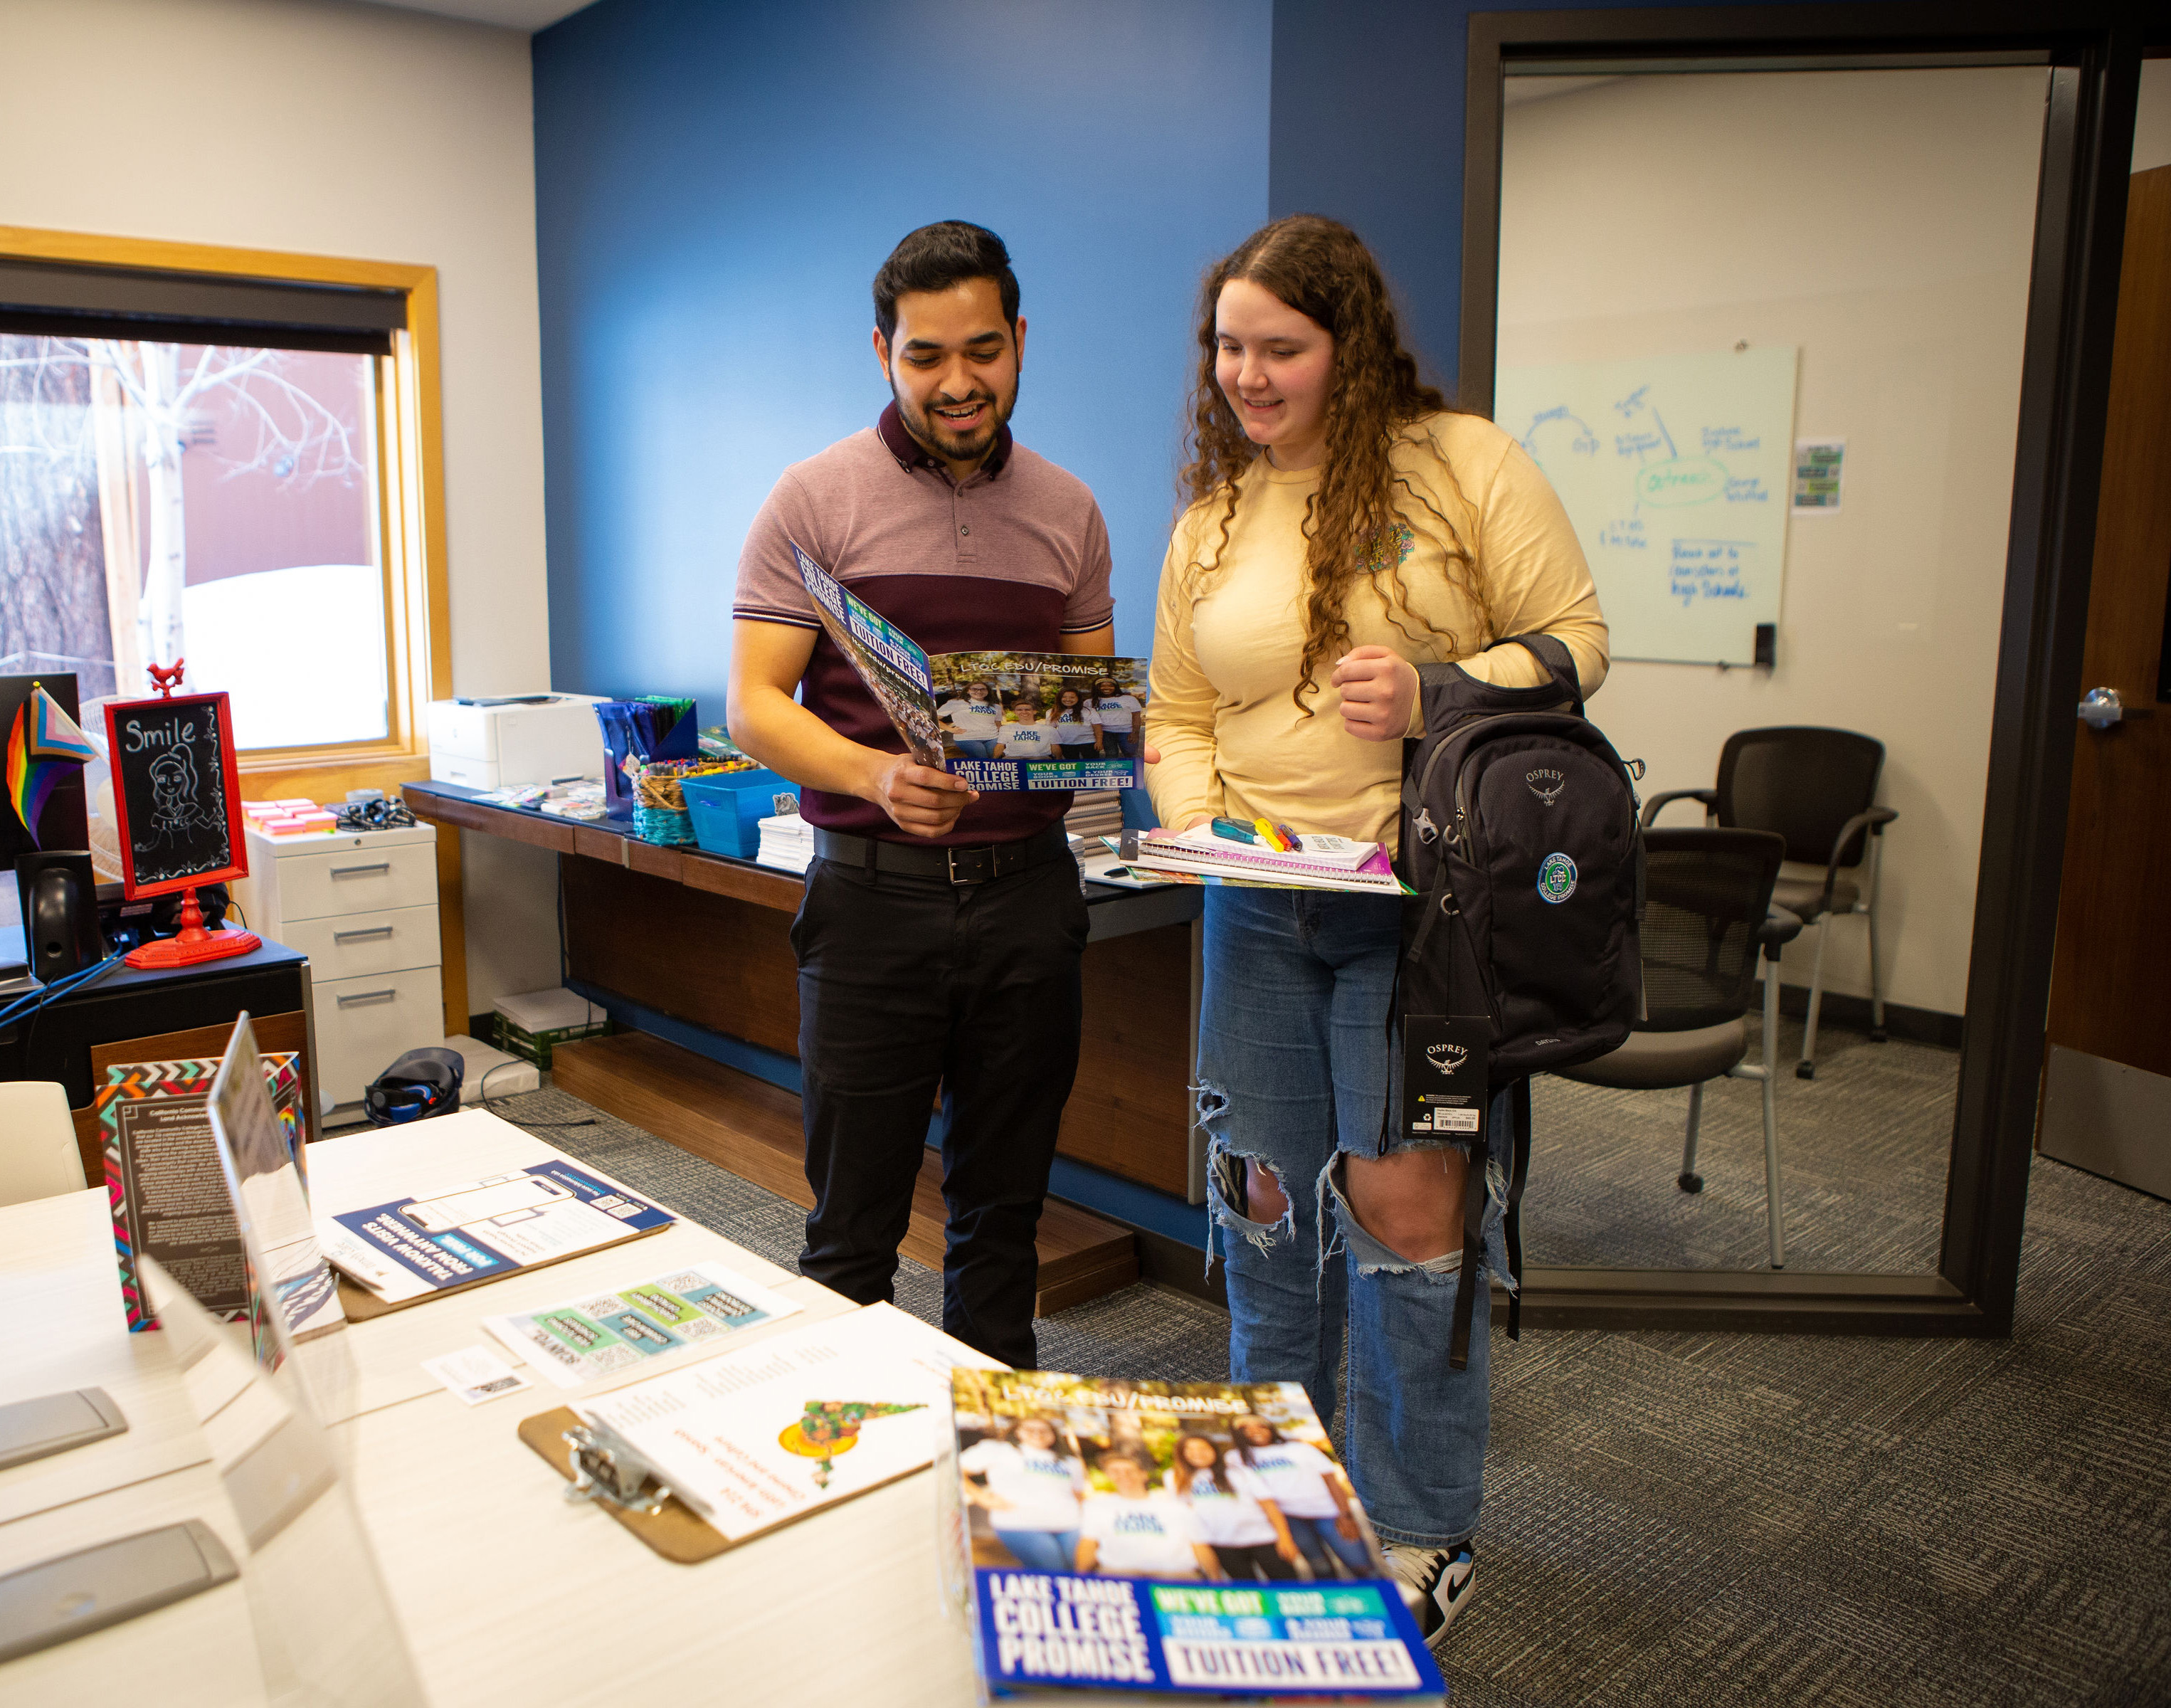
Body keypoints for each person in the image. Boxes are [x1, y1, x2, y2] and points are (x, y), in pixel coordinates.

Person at [1145, 214, 1608, 1648]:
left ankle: (1418, 1527)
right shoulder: (1213, 517)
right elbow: (1175, 711)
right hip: (1255, 907)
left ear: (1348, 346)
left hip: (1424, 910)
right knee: (1267, 1207)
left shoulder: (1460, 462)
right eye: (1227, 346)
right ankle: (1275, 1494)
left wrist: (1432, 693)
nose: (1247, 374)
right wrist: (1194, 817)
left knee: (1409, 1222)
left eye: (1279, 347)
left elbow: (1574, 643)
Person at [727, 221, 1116, 1368]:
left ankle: (991, 1475)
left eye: (982, 351)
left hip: (1025, 905)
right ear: (883, 353)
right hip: (869, 905)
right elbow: (755, 703)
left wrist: (1069, 749)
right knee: (851, 1233)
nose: (958, 383)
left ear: (1020, 342)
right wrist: (875, 776)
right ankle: (841, 1482)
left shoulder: (1070, 511)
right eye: (924, 357)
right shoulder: (812, 498)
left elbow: (1080, 713)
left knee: (1003, 1219)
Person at [1227, 1416, 1367, 1579]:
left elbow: (1331, 1481)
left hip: (1328, 1514)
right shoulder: (1234, 1458)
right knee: (1320, 1567)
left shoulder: (1298, 1449)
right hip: (1290, 1519)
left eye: (1261, 1425)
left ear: (1270, 1427)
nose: (1255, 1430)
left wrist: (1346, 1515)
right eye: (1244, 1428)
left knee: (1360, 1564)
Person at [1166, 1432, 1301, 1581]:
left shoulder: (1239, 1473)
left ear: (1214, 1450)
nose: (1198, 1454)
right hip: (1223, 1546)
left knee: (1287, 1585)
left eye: (1203, 1448)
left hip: (1263, 1540)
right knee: (1248, 1593)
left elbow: (1270, 1506)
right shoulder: (1177, 1480)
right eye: (1190, 1450)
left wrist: (1285, 1538)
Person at [959, 1415, 1087, 1572]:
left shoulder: (1070, 1462)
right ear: (1017, 1432)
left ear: (1054, 1435)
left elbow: (1078, 1495)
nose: (1038, 1433)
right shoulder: (998, 1450)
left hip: (1070, 1526)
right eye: (1029, 1429)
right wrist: (982, 1499)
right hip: (1021, 1524)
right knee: (1054, 1568)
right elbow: (955, 1471)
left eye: (1044, 1430)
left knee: (1080, 1571)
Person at [1074, 1450, 1220, 1580]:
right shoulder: (1097, 1507)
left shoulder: (1176, 1507)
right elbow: (1088, 1544)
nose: (1123, 1476)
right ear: (1108, 1475)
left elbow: (1199, 1545)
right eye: (1115, 1471)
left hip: (1174, 1576)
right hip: (1119, 1575)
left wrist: (1216, 1581)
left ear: (1144, 1474)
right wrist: (1081, 1578)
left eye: (1129, 1470)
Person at [939, 680, 1003, 758]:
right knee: (982, 760)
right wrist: (950, 729)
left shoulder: (996, 707)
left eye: (983, 689)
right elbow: (934, 718)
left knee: (996, 760)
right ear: (968, 691)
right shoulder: (955, 703)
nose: (979, 692)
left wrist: (1003, 738)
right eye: (974, 689)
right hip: (968, 738)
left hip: (993, 738)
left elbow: (998, 724)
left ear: (988, 691)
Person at [1086, 675, 1143, 758]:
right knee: (1111, 755)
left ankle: (1133, 770)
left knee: (1130, 754)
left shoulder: (1129, 699)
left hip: (1126, 731)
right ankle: (1114, 770)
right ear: (1097, 687)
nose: (1107, 688)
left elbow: (1136, 717)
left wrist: (1135, 733)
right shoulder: (1090, 702)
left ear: (1115, 687)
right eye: (1102, 686)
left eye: (1110, 686)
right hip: (1105, 733)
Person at [998, 697, 1056, 761]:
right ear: (1015, 712)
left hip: (1039, 759)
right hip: (1013, 759)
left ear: (1035, 711)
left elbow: (1055, 747)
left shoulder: (1049, 730)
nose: (1024, 712)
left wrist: (1059, 762)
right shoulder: (1005, 729)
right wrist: (993, 761)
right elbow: (1000, 746)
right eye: (1019, 710)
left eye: (1027, 709)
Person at [1047, 687, 1098, 758]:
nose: (1068, 700)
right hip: (1066, 743)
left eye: (1072, 697)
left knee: (1092, 764)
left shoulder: (1089, 711)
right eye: (1064, 697)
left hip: (1088, 742)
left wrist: (1099, 741)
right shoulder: (1052, 712)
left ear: (1078, 698)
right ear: (1059, 698)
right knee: (1073, 765)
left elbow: (1097, 727)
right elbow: (1050, 730)